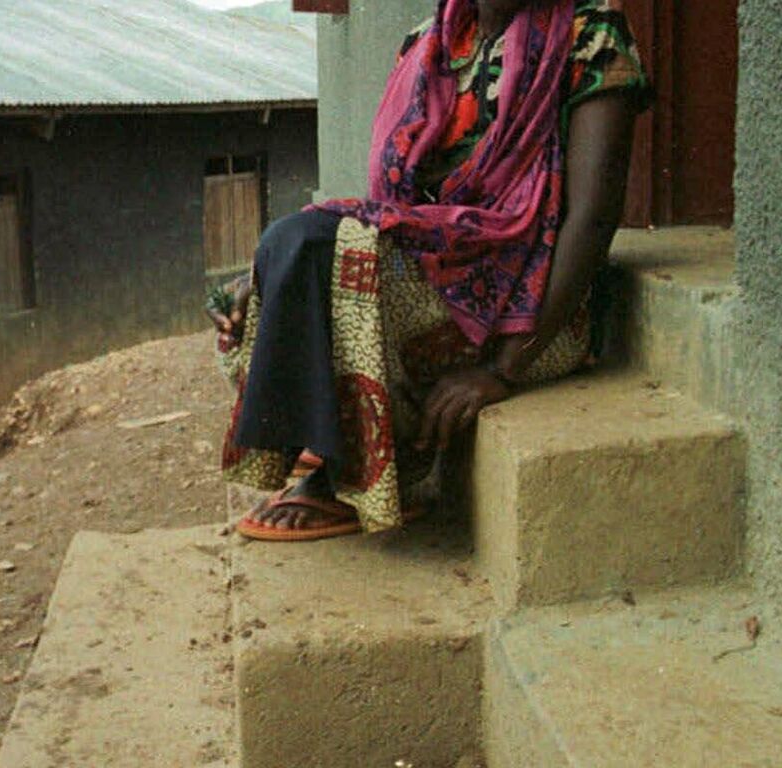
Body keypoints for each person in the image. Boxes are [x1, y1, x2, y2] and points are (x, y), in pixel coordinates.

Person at [211, 0, 649, 541]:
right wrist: (266, 276)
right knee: (282, 256)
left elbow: (594, 216)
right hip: (441, 281)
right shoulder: (429, 43)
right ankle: (320, 435)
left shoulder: (589, 33)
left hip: (532, 310)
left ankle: (364, 474)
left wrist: (502, 370)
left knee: (332, 257)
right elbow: (398, 215)